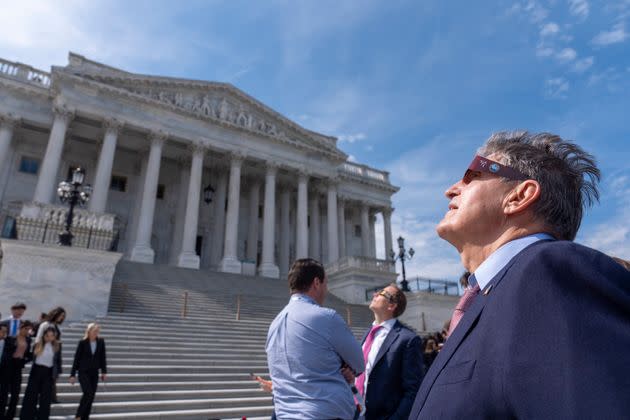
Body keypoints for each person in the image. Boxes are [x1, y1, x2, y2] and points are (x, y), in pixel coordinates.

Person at [408, 131, 630, 418]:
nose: (450, 189)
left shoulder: (551, 270)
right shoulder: (490, 297)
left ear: (519, 196)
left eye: (472, 175)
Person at [266, 258, 364, 419]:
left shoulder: (274, 324)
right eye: (326, 283)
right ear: (317, 283)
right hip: (325, 413)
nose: (327, 289)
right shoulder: (327, 317)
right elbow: (359, 364)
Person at [351, 284, 423, 419]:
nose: (374, 295)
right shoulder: (367, 334)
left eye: (381, 294)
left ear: (392, 305)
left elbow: (413, 391)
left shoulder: (408, 339)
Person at [20, 326, 61, 420]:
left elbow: (58, 362)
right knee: (31, 397)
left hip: (48, 373)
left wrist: (56, 375)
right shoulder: (38, 344)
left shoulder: (57, 346)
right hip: (36, 371)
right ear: (44, 335)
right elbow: (30, 356)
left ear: (54, 336)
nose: (50, 338)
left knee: (45, 399)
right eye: (47, 335)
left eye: (52, 336)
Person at [70, 323, 107, 420]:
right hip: (83, 372)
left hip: (94, 373)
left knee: (91, 396)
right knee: (88, 393)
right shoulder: (82, 342)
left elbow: (103, 357)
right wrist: (72, 374)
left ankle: (85, 417)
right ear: (89, 331)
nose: (96, 332)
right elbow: (76, 359)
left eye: (97, 331)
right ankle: (78, 416)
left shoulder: (101, 342)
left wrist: (104, 371)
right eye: (94, 330)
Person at [0, 321, 33, 420]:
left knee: (15, 394)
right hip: (7, 368)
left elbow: (27, 354)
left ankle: (10, 416)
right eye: (25, 328)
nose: (27, 331)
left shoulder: (28, 340)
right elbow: (6, 354)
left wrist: (28, 358)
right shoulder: (10, 339)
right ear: (20, 328)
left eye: (29, 329)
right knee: (3, 394)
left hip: (18, 368)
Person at [36, 307, 66, 404]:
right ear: (55, 314)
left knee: (53, 377)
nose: (61, 318)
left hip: (55, 355)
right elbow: (38, 339)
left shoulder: (56, 326)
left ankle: (52, 397)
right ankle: (47, 398)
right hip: (44, 355)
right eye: (61, 316)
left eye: (63, 317)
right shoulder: (45, 325)